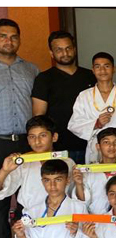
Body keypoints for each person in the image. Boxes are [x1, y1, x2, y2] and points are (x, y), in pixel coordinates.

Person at [0, 116, 77, 238]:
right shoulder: (23, 163)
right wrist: (5, 170)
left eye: (43, 135)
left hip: (62, 220)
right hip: (33, 221)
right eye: (32, 137)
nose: (37, 141)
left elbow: (76, 195)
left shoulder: (68, 162)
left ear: (54, 137)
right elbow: (2, 192)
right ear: (27, 140)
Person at [0, 18, 39, 238]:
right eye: (3, 36)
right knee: (1, 199)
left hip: (27, 143)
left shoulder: (32, 70)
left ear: (19, 39)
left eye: (13, 36)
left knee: (29, 197)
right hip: (0, 141)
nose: (8, 41)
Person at [32, 30, 96, 163]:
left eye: (68, 48)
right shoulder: (44, 79)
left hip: (91, 144)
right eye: (59, 50)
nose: (65, 53)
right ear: (51, 53)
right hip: (59, 147)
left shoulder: (90, 75)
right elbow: (39, 116)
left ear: (74, 49)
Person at [68, 52, 116, 163]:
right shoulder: (84, 96)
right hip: (95, 147)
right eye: (98, 67)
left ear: (114, 69)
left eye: (106, 66)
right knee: (94, 179)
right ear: (93, 70)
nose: (102, 71)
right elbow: (74, 124)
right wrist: (96, 124)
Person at [73, 127, 116, 214]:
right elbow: (82, 202)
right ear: (98, 146)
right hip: (95, 220)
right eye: (106, 142)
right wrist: (78, 183)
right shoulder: (90, 170)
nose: (111, 146)